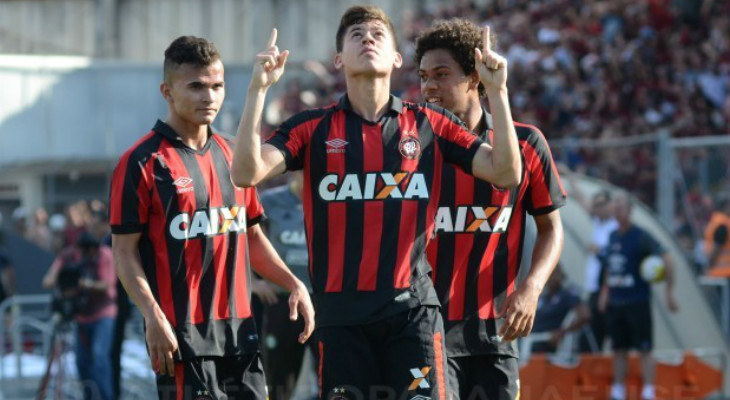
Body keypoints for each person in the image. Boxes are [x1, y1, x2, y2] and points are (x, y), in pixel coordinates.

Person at [231, 5, 521, 399]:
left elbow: (505, 172)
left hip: (412, 313)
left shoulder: (429, 123)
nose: (367, 38)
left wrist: (499, 92)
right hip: (341, 317)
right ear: (338, 59)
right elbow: (246, 173)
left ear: (397, 58)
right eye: (356, 35)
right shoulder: (312, 127)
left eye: (378, 35)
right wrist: (257, 90)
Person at [109, 36, 314, 400]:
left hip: (241, 333)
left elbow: (251, 237)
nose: (210, 97)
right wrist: (152, 316)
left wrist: (292, 282)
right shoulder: (141, 162)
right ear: (167, 91)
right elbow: (124, 253)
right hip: (182, 337)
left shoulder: (234, 153)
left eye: (217, 86)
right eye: (196, 87)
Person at [414, 18, 566, 399]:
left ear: (475, 78)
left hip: (495, 334)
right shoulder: (412, 149)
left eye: (441, 74)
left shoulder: (525, 145)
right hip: (424, 327)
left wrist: (532, 288)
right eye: (423, 76)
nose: (429, 86)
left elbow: (551, 228)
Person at [598, 192, 679, 400]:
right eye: (615, 207)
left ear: (630, 211)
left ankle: (648, 391)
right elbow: (609, 266)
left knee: (645, 349)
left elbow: (668, 258)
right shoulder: (613, 236)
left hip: (637, 301)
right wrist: (605, 293)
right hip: (617, 302)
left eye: (621, 207)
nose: (617, 211)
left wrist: (670, 291)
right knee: (618, 349)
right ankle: (618, 392)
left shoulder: (641, 236)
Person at [258, 171, 317, 400]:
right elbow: (245, 243)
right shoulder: (270, 201)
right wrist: (255, 283)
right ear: (294, 172)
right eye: (305, 172)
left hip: (322, 300)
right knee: (279, 381)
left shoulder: (331, 199)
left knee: (333, 378)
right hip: (283, 301)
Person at [42, 232, 117, 400]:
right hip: (81, 316)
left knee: (99, 357)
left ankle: (107, 397)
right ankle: (89, 397)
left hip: (103, 314)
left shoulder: (105, 254)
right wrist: (63, 282)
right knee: (82, 363)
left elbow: (107, 285)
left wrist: (84, 284)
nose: (86, 255)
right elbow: (48, 281)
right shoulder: (70, 256)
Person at [570, 183, 618, 352]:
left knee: (607, 331)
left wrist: (600, 251)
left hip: (606, 289)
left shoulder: (616, 227)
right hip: (594, 287)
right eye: (596, 204)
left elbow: (614, 258)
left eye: (601, 204)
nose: (596, 208)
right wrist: (569, 176)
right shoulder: (599, 223)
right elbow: (583, 202)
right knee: (593, 334)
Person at [530, 265, 589, 354]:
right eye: (550, 274)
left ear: (562, 276)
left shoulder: (567, 295)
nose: (553, 277)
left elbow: (585, 316)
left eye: (556, 273)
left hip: (547, 342)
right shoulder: (541, 297)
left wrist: (562, 332)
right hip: (529, 339)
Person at [704, 194, 730, 276]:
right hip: (724, 273)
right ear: (725, 206)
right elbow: (717, 247)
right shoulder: (723, 224)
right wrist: (709, 265)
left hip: (718, 271)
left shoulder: (715, 220)